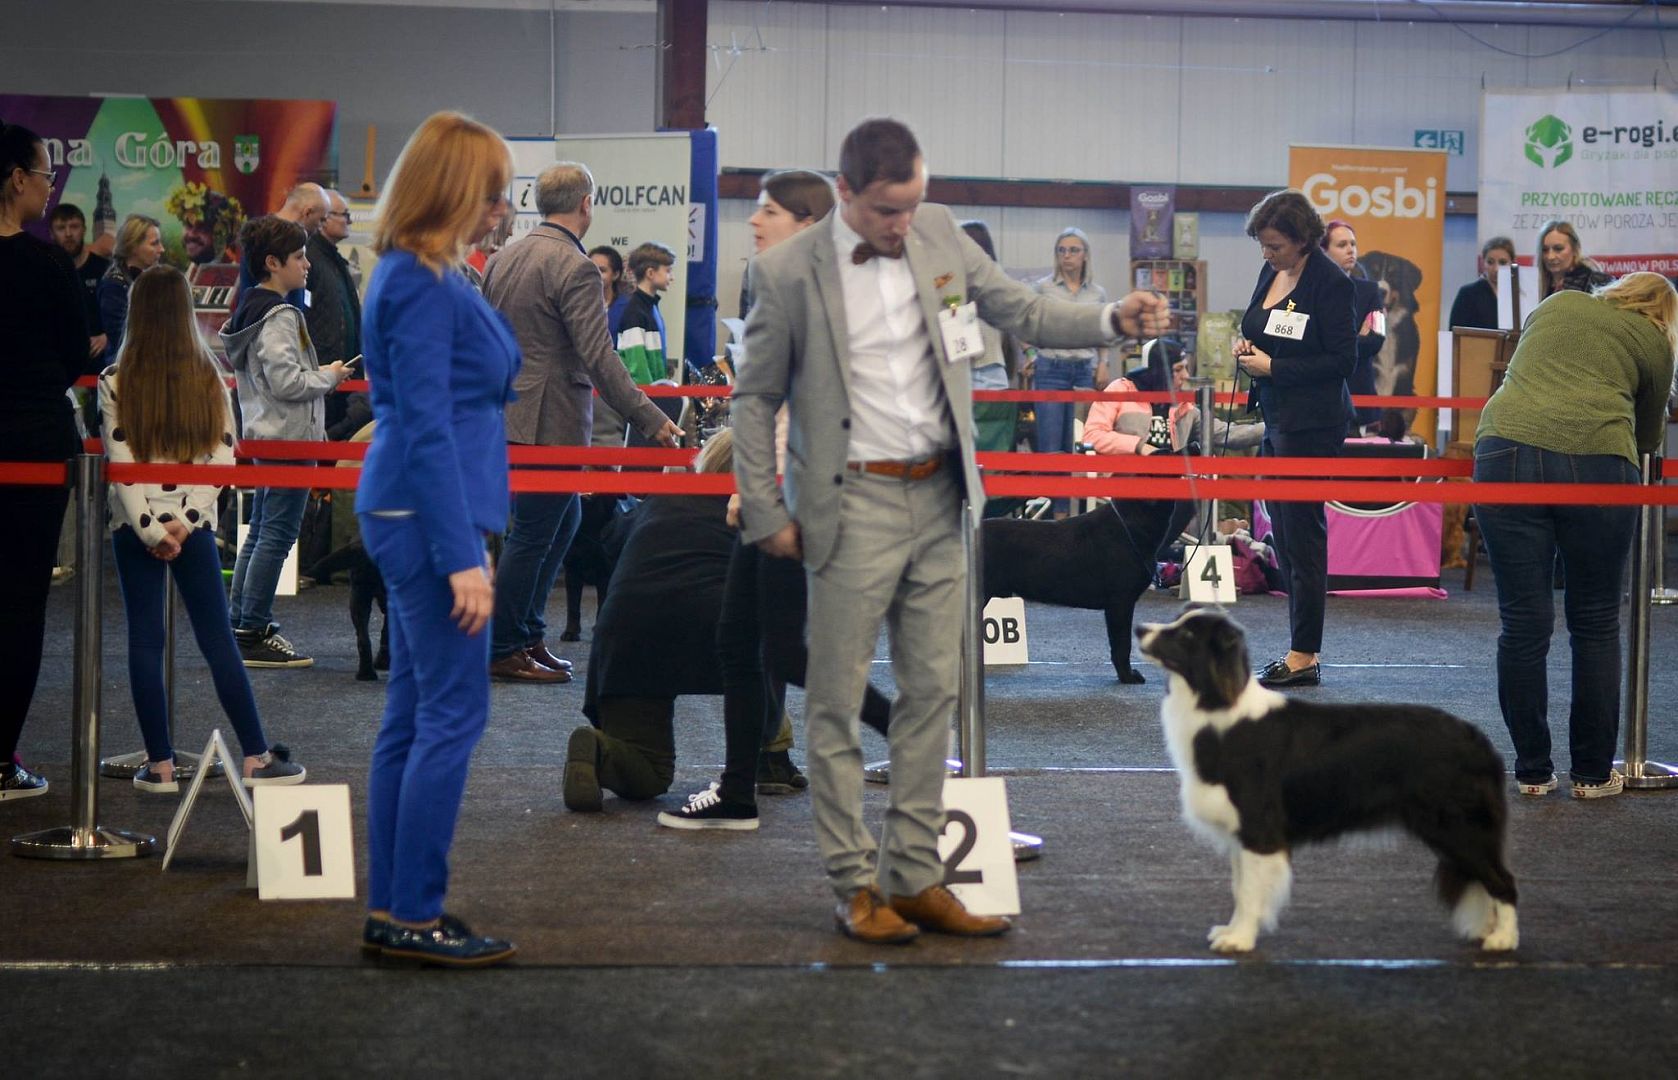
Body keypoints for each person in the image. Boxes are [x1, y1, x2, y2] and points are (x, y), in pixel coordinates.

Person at [732, 117, 1169, 943]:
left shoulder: (938, 234)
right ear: (846, 192)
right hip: (845, 505)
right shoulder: (784, 272)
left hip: (942, 503)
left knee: (935, 694)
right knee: (834, 699)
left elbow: (1022, 310)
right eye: (889, 210)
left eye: (915, 204)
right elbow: (753, 401)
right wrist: (764, 510)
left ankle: (916, 876)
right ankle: (855, 884)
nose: (905, 224)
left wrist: (1112, 321)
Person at [356, 110, 523, 967]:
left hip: (418, 507)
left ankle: (398, 906)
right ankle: (412, 911)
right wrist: (464, 555)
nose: (499, 209)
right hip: (430, 515)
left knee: (416, 713)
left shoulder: (420, 272)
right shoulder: (419, 281)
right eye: (490, 193)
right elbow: (424, 424)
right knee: (452, 713)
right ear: (456, 189)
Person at [99, 266, 307, 793]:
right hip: (193, 529)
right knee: (218, 640)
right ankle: (257, 755)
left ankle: (161, 766)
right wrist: (184, 522)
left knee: (145, 642)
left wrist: (151, 528)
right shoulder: (208, 377)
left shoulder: (113, 380)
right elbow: (222, 455)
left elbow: (120, 461)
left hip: (134, 527)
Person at [1473, 273, 1677, 800]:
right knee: (1595, 621)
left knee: (1522, 623)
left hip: (1503, 451)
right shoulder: (1654, 341)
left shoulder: (1558, 302)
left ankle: (1533, 772)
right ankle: (1590, 774)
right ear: (1663, 315)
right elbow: (1651, 436)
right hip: (1598, 461)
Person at [482, 162, 681, 684]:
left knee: (559, 521)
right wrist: (649, 416)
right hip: (551, 420)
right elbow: (599, 354)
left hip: (508, 413)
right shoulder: (574, 267)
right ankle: (504, 645)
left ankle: (525, 634)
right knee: (536, 530)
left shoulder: (504, 258)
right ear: (586, 204)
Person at [1233, 189, 1356, 689]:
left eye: (1276, 246)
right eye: (1262, 245)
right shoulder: (1271, 272)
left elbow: (1342, 361)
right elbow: (1262, 325)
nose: (1267, 254)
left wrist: (1274, 366)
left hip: (1312, 424)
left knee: (1302, 537)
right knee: (1282, 532)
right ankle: (1298, 648)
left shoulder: (1330, 282)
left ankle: (1305, 654)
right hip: (1277, 416)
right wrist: (1251, 347)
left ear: (1303, 240)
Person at [0, 118, 87, 800]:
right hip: (32, 441)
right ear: (17, 181)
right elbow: (75, 352)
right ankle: (1, 755)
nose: (49, 186)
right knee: (22, 601)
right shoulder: (46, 264)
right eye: (43, 173)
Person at [220, 215, 351, 668]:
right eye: (298, 257)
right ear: (273, 263)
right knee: (275, 533)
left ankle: (241, 620)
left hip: (269, 436)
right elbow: (287, 382)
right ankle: (251, 627)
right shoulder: (279, 316)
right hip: (288, 440)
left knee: (261, 531)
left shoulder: (256, 310)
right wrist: (329, 377)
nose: (307, 265)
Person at [1026, 227, 1109, 517]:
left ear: (1085, 255)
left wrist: (1103, 363)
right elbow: (1025, 324)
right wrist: (1031, 354)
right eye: (1061, 250)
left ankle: (1074, 513)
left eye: (1073, 250)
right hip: (1051, 367)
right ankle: (1051, 514)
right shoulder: (1043, 288)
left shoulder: (1097, 293)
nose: (1067, 256)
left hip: (1083, 370)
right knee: (1050, 445)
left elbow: (1102, 330)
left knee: (1078, 444)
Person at [306, 189, 365, 437]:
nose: (348, 221)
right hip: (325, 380)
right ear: (324, 219)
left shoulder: (332, 260)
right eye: (344, 215)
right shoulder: (313, 259)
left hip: (339, 378)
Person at [1321, 219, 1387, 433]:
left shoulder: (1371, 291)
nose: (1350, 250)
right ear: (1324, 251)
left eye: (1353, 244)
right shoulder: (1312, 292)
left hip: (1360, 393)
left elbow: (1376, 340)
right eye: (1342, 245)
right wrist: (1356, 338)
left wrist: (1331, 346)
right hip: (1321, 394)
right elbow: (1310, 342)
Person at [236, 183, 328, 304]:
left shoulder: (287, 239)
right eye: (321, 220)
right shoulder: (263, 239)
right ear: (307, 212)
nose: (321, 228)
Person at [96, 213, 164, 364]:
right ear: (133, 246)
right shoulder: (113, 286)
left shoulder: (148, 279)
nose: (162, 249)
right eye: (154, 243)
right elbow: (123, 339)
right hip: (128, 373)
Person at [50, 202, 109, 359]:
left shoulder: (105, 270)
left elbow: (123, 313)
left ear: (84, 230)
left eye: (74, 226)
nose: (68, 233)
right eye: (61, 228)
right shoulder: (44, 271)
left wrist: (107, 336)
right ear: (51, 233)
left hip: (98, 360)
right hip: (58, 360)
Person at [616, 241, 677, 384]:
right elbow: (638, 369)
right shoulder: (635, 313)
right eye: (668, 271)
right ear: (650, 273)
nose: (672, 277)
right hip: (645, 399)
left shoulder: (651, 307)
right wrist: (651, 400)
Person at [1448, 237, 1516, 331]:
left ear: (1512, 263)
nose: (1496, 269)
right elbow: (1455, 333)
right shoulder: (1468, 294)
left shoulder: (1519, 295)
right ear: (1483, 263)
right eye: (1490, 262)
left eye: (1502, 262)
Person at [1537, 219, 1612, 300]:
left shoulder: (1598, 283)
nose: (1550, 256)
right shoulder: (1535, 286)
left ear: (1575, 249)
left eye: (1558, 249)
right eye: (1544, 250)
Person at [588, 244, 631, 335]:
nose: (595, 274)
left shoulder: (628, 307)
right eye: (591, 268)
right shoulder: (577, 305)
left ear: (615, 275)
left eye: (602, 270)